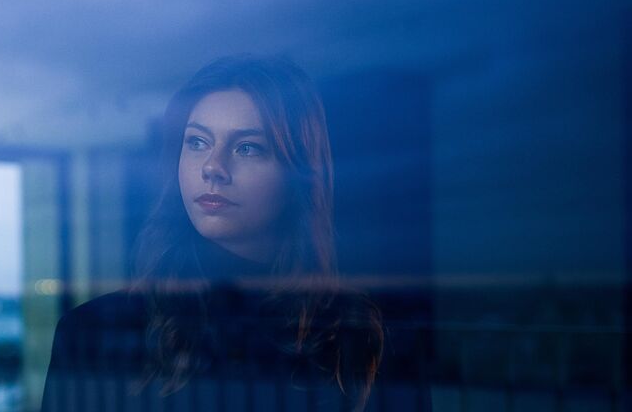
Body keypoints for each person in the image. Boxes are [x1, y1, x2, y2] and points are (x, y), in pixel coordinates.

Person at [41, 55, 387, 411]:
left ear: (298, 175)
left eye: (247, 147)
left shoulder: (356, 333)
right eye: (197, 142)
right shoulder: (92, 331)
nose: (213, 167)